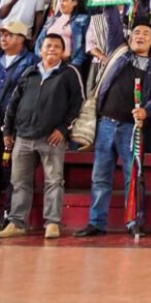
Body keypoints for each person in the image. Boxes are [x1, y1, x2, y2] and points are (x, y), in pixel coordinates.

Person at [75, 9, 151, 237]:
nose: (140, 36)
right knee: (100, 176)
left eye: (146, 34)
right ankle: (96, 222)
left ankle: (133, 221)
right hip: (106, 125)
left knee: (133, 176)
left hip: (132, 128)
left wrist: (146, 111)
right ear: (129, 36)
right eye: (136, 32)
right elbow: (113, 20)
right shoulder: (118, 49)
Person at [0, 34, 83, 240]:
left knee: (54, 181)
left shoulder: (69, 73)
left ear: (63, 52)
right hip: (23, 136)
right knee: (19, 181)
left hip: (51, 138)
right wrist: (8, 131)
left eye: (57, 46)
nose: (52, 49)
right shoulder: (29, 72)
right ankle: (17, 223)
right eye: (48, 46)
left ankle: (52, 223)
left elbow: (78, 103)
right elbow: (14, 103)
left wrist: (63, 129)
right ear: (40, 50)